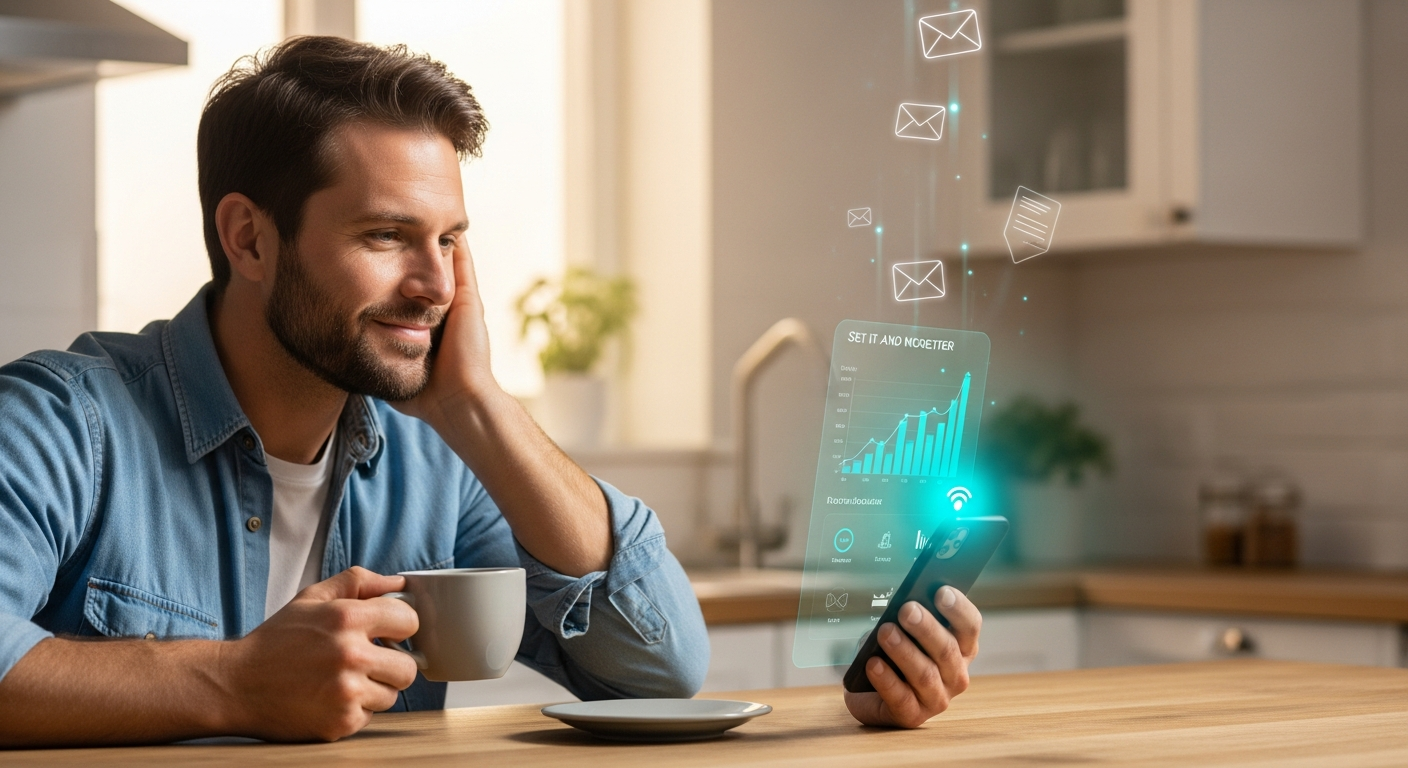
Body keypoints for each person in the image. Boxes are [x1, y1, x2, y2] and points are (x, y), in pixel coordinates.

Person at [0, 36, 983, 746]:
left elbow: (656, 670)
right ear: (249, 238)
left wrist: (480, 408)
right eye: (386, 237)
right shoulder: (62, 423)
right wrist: (234, 685)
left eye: (451, 240)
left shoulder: (440, 457)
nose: (435, 284)